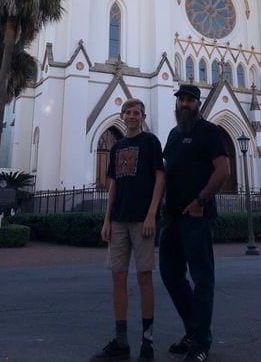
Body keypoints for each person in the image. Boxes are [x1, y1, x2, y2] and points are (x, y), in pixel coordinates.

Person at [159, 84, 230, 361]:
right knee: (170, 274)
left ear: (198, 104)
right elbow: (165, 173)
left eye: (189, 100)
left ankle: (200, 342)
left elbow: (223, 170)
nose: (184, 104)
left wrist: (201, 202)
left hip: (197, 217)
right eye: (181, 100)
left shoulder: (210, 132)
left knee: (202, 279)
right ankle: (193, 331)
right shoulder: (174, 135)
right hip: (172, 217)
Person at [90, 98, 165, 362]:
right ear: (122, 116)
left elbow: (159, 177)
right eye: (128, 113)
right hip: (119, 220)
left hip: (141, 220)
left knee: (144, 277)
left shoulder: (151, 142)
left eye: (137, 113)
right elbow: (114, 186)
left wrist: (152, 215)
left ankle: (148, 341)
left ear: (143, 117)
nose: (132, 117)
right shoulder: (117, 147)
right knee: (117, 277)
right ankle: (121, 341)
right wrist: (106, 220)